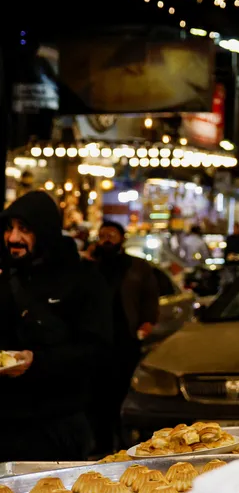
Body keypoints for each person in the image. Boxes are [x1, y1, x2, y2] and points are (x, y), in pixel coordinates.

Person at [0, 191, 113, 460]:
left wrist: (36, 361)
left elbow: (98, 351)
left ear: (45, 231)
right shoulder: (6, 276)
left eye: (24, 229)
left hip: (58, 425)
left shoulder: (83, 279)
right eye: (9, 228)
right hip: (5, 421)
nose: (14, 238)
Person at [86, 221, 160, 453]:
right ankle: (103, 443)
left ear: (122, 238)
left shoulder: (137, 267)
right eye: (102, 235)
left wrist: (147, 322)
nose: (106, 239)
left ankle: (125, 442)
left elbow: (150, 297)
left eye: (111, 235)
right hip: (97, 343)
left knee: (123, 392)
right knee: (98, 396)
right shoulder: (90, 266)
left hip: (125, 340)